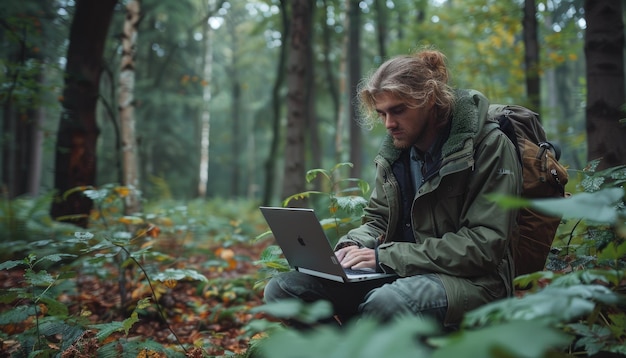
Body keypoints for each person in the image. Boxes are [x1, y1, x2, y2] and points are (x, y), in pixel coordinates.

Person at [264, 48, 521, 329]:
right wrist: (354, 246)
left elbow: (484, 246)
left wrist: (383, 257)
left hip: (474, 283)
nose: (389, 124)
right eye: (382, 113)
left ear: (430, 99)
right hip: (403, 272)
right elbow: (378, 220)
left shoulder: (488, 146)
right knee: (284, 290)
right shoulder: (396, 152)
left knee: (385, 304)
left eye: (398, 110)